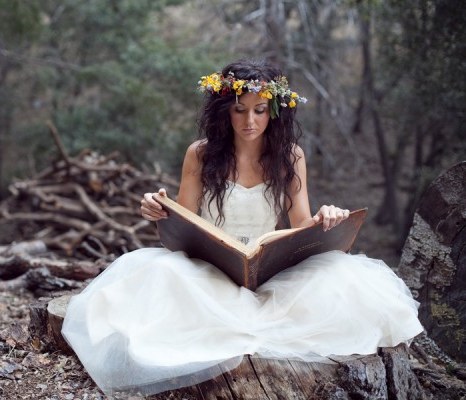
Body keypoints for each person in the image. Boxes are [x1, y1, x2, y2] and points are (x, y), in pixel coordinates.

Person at [62, 59, 423, 397]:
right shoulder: (200, 154)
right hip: (208, 273)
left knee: (341, 274)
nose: (250, 120)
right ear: (225, 111)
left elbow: (301, 225)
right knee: (158, 274)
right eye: (240, 109)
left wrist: (327, 217)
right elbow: (183, 225)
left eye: (260, 110)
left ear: (273, 112)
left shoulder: (291, 155)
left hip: (268, 274)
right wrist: (158, 209)